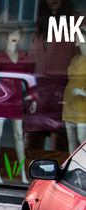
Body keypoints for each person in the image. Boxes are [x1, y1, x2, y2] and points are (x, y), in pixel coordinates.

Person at [24, 0, 79, 153]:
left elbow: (79, 64)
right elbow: (30, 69)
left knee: (58, 149)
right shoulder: (37, 33)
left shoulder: (74, 26)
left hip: (62, 97)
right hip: (39, 97)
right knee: (30, 146)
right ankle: (29, 177)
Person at [0, 28, 34, 183]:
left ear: (20, 37)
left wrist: (32, 97)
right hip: (1, 98)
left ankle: (23, 174)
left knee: (19, 135)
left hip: (17, 100)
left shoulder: (24, 56)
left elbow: (29, 78)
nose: (14, 37)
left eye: (17, 34)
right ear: (6, 36)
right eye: (11, 33)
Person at [63, 26, 86, 155]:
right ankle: (72, 167)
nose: (75, 38)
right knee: (71, 140)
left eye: (78, 36)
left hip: (82, 104)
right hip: (69, 102)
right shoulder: (74, 58)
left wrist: (84, 93)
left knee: (82, 139)